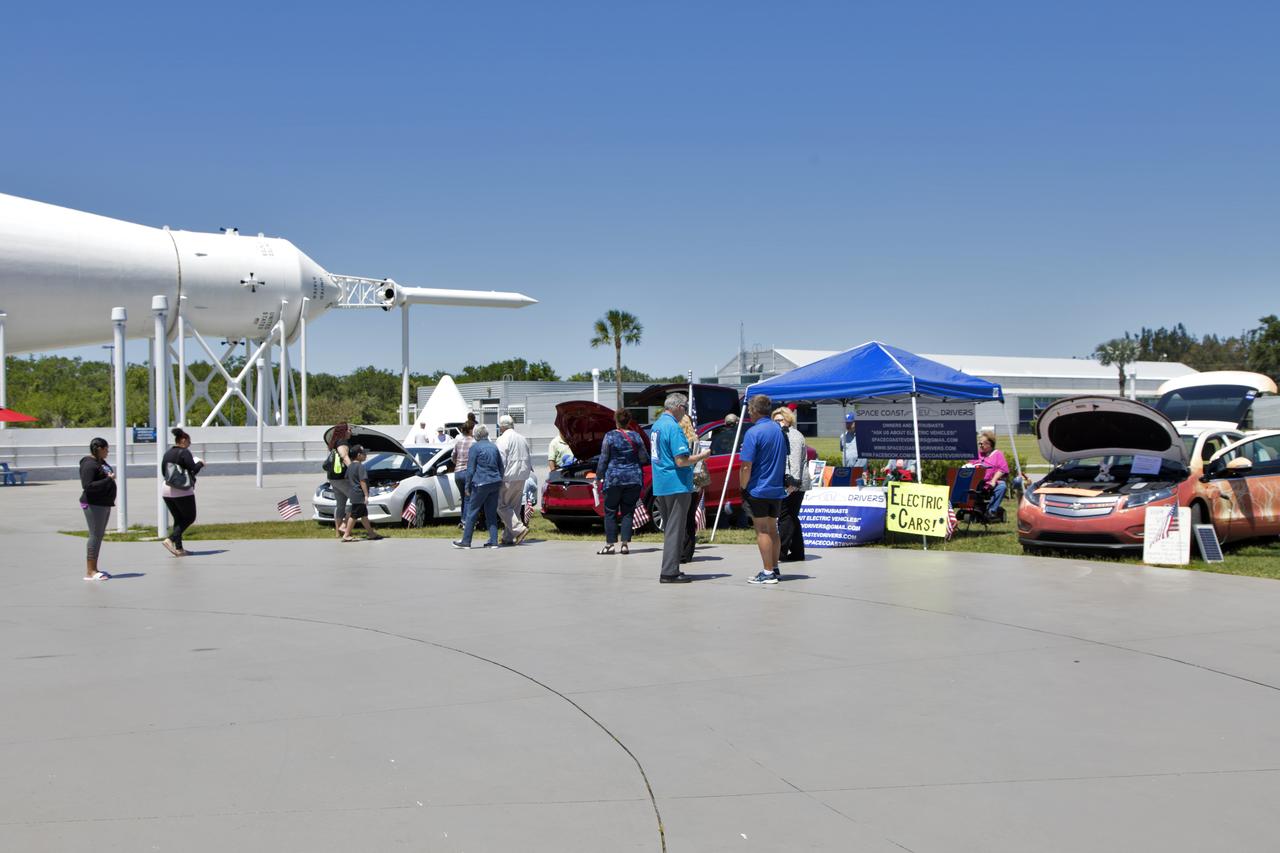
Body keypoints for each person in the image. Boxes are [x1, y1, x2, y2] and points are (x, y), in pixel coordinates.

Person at [650, 392, 710, 583]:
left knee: (670, 529)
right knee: (676, 530)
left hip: (661, 483)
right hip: (677, 484)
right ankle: (669, 571)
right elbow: (681, 460)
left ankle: (671, 568)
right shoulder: (674, 428)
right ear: (679, 407)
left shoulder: (657, 426)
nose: (684, 413)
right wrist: (703, 456)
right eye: (684, 409)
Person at [739, 394, 789, 584]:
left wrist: (743, 486)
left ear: (755, 410)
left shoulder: (753, 433)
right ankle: (774, 567)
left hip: (758, 488)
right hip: (775, 489)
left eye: (750, 410)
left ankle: (767, 572)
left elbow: (746, 466)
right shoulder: (778, 431)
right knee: (772, 529)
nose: (749, 413)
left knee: (762, 531)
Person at [595, 409, 649, 555]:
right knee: (628, 512)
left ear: (616, 421)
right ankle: (625, 544)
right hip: (633, 479)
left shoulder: (610, 436)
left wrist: (598, 476)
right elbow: (644, 458)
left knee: (610, 511)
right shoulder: (637, 436)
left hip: (613, 479)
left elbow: (603, 459)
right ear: (629, 421)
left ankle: (610, 545)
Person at [454, 424, 503, 549]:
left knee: (472, 511)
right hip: (495, 482)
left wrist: (467, 487)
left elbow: (470, 470)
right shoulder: (494, 446)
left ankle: (466, 541)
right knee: (491, 512)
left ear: (476, 435)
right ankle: (493, 541)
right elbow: (501, 466)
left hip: (481, 482)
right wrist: (500, 480)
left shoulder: (475, 448)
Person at [774, 407, 811, 563]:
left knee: (785, 517)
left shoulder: (793, 436)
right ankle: (797, 552)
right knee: (791, 517)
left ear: (788, 420)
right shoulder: (782, 434)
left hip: (795, 484)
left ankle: (780, 551)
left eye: (780, 420)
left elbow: (795, 461)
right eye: (774, 421)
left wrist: (792, 483)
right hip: (790, 482)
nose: (777, 423)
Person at [161, 427, 205, 557]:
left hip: (166, 490)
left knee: (178, 519)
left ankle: (179, 549)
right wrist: (201, 463)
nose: (189, 445)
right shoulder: (185, 452)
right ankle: (170, 539)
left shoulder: (167, 453)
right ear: (183, 440)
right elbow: (193, 469)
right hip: (182, 491)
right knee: (190, 517)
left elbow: (164, 472)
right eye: (189, 442)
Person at [79, 437, 116, 580]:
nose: (108, 452)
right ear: (99, 449)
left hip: (103, 503)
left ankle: (95, 568)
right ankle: (90, 571)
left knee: (99, 535)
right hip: (93, 504)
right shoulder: (89, 464)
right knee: (95, 535)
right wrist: (108, 480)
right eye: (106, 449)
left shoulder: (100, 462)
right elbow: (87, 486)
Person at [494, 414, 532, 545]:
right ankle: (508, 537)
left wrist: (498, 475)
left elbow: (501, 458)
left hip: (508, 476)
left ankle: (519, 529)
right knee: (514, 507)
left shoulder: (502, 439)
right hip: (522, 475)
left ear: (502, 427)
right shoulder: (522, 438)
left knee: (501, 506)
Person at [340, 445, 385, 542]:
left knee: (364, 515)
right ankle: (346, 534)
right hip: (359, 494)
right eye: (364, 454)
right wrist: (366, 495)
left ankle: (371, 533)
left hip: (353, 493)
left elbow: (346, 478)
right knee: (354, 514)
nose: (365, 455)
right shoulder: (360, 466)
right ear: (359, 455)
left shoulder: (350, 466)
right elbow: (362, 481)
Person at [678, 412, 704, 564]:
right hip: (693, 484)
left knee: (680, 519)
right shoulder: (695, 441)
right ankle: (687, 552)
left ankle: (680, 551)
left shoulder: (678, 441)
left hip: (682, 483)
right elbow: (699, 465)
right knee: (689, 519)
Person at [969, 430, 1010, 519]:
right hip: (977, 482)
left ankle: (991, 510)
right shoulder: (976, 454)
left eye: (982, 444)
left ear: (990, 444)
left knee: (1002, 486)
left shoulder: (997, 454)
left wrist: (993, 481)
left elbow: (1002, 469)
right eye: (979, 443)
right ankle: (975, 508)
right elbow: (969, 466)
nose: (980, 445)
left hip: (990, 482)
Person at [326, 423, 354, 540]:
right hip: (342, 477)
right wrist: (354, 469)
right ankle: (344, 527)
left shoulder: (334, 443)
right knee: (356, 500)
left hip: (333, 477)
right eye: (349, 429)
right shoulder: (342, 443)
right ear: (344, 431)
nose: (351, 431)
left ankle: (338, 532)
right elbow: (344, 456)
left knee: (340, 504)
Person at [452, 420, 475, 528]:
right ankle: (466, 522)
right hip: (467, 472)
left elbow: (453, 457)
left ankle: (462, 520)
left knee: (463, 497)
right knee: (468, 498)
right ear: (470, 430)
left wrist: (458, 463)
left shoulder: (458, 442)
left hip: (457, 472)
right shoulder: (474, 442)